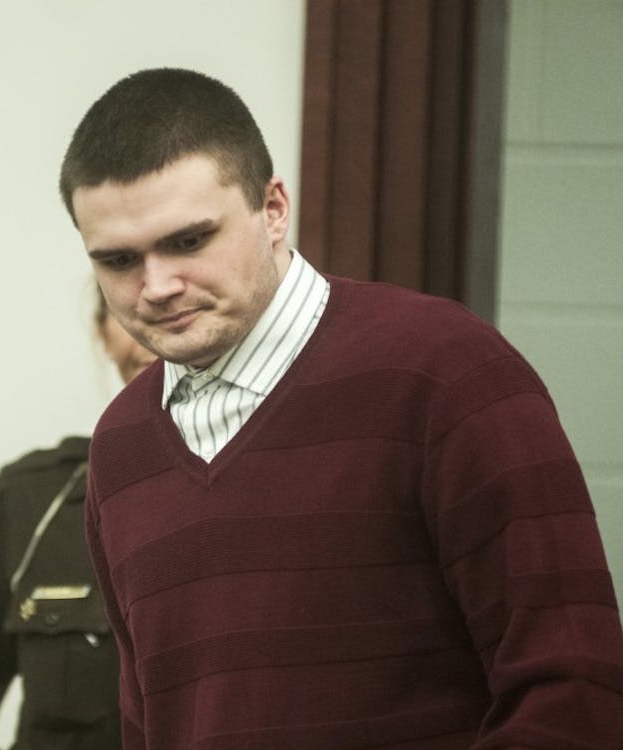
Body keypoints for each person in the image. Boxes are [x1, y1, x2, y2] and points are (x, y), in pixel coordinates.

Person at [60, 67, 623, 749]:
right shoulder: (121, 446)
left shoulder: (443, 371)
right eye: (120, 260)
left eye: (188, 241)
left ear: (273, 208)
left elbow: (575, 691)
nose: (157, 286)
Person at [0, 292, 156, 750]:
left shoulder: (276, 485)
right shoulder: (33, 496)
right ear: (102, 332)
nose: (155, 317)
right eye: (126, 303)